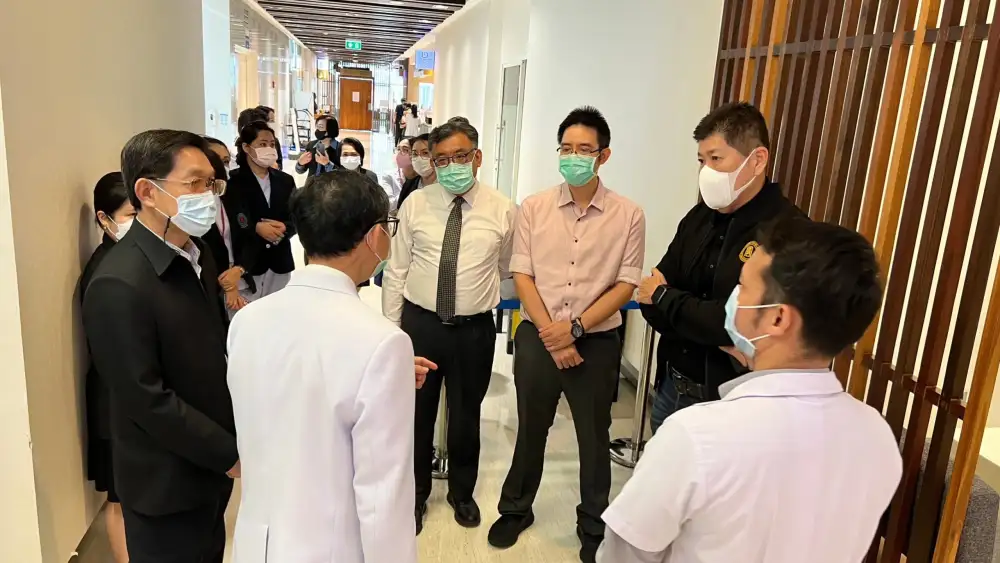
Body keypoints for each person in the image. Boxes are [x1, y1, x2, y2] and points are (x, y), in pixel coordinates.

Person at [600, 216, 902, 563]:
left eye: (742, 287)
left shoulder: (697, 437)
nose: (732, 299)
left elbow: (624, 553)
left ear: (778, 318)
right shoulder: (878, 436)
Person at [228, 170, 434, 563]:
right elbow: (382, 494)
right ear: (373, 236)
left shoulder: (248, 320)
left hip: (258, 543)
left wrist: (380, 376)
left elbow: (287, 389)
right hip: (330, 548)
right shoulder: (382, 341)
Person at [489, 106, 645, 563]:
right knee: (530, 427)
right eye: (566, 148)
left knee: (593, 437)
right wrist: (552, 334)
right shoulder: (534, 207)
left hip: (595, 340)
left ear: (603, 155)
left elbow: (626, 284)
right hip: (539, 335)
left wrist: (574, 329)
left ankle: (593, 523)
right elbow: (522, 274)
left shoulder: (629, 215)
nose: (574, 157)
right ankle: (516, 509)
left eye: (584, 149)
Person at [82, 130, 238, 563]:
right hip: (165, 484)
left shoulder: (197, 254)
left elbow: (210, 352)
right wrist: (229, 454)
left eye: (212, 183)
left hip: (208, 469)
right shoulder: (118, 282)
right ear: (148, 192)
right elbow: (147, 399)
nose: (208, 196)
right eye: (195, 183)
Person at [382, 119, 516, 535]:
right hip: (421, 326)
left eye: (460, 156)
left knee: (466, 416)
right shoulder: (416, 204)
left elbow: (506, 268)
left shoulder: (502, 208)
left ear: (477, 157)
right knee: (416, 416)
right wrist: (392, 334)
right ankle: (416, 494)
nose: (451, 165)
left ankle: (462, 492)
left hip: (473, 331)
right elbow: (396, 271)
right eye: (441, 159)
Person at [638, 101, 802, 435]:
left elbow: (740, 325)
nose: (706, 171)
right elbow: (648, 299)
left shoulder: (788, 230)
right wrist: (689, 314)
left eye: (716, 159)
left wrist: (667, 298)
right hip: (671, 388)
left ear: (757, 160)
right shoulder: (698, 218)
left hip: (731, 401)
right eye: (701, 161)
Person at [80, 171, 136, 563]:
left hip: (128, 396)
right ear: (104, 219)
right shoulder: (105, 271)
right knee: (119, 498)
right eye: (131, 214)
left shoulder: (128, 259)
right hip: (114, 398)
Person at [230, 121, 297, 302]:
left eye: (272, 144)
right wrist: (255, 228)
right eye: (262, 144)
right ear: (246, 147)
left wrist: (285, 228)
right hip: (248, 263)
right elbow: (231, 217)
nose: (269, 148)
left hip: (279, 261)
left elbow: (297, 215)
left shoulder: (285, 181)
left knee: (277, 310)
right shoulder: (233, 182)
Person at [201, 137, 258, 316]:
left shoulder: (233, 193)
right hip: (211, 289)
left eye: (225, 161)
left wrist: (239, 269)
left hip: (241, 279)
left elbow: (249, 237)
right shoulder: (193, 204)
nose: (221, 166)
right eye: (215, 159)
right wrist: (227, 285)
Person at [396, 133, 435, 209]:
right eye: (415, 154)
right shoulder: (408, 185)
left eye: (425, 153)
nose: (419, 158)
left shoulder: (445, 187)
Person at [380, 137, 415, 212]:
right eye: (398, 149)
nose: (399, 153)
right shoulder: (389, 176)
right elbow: (389, 205)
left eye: (405, 150)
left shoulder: (421, 176)